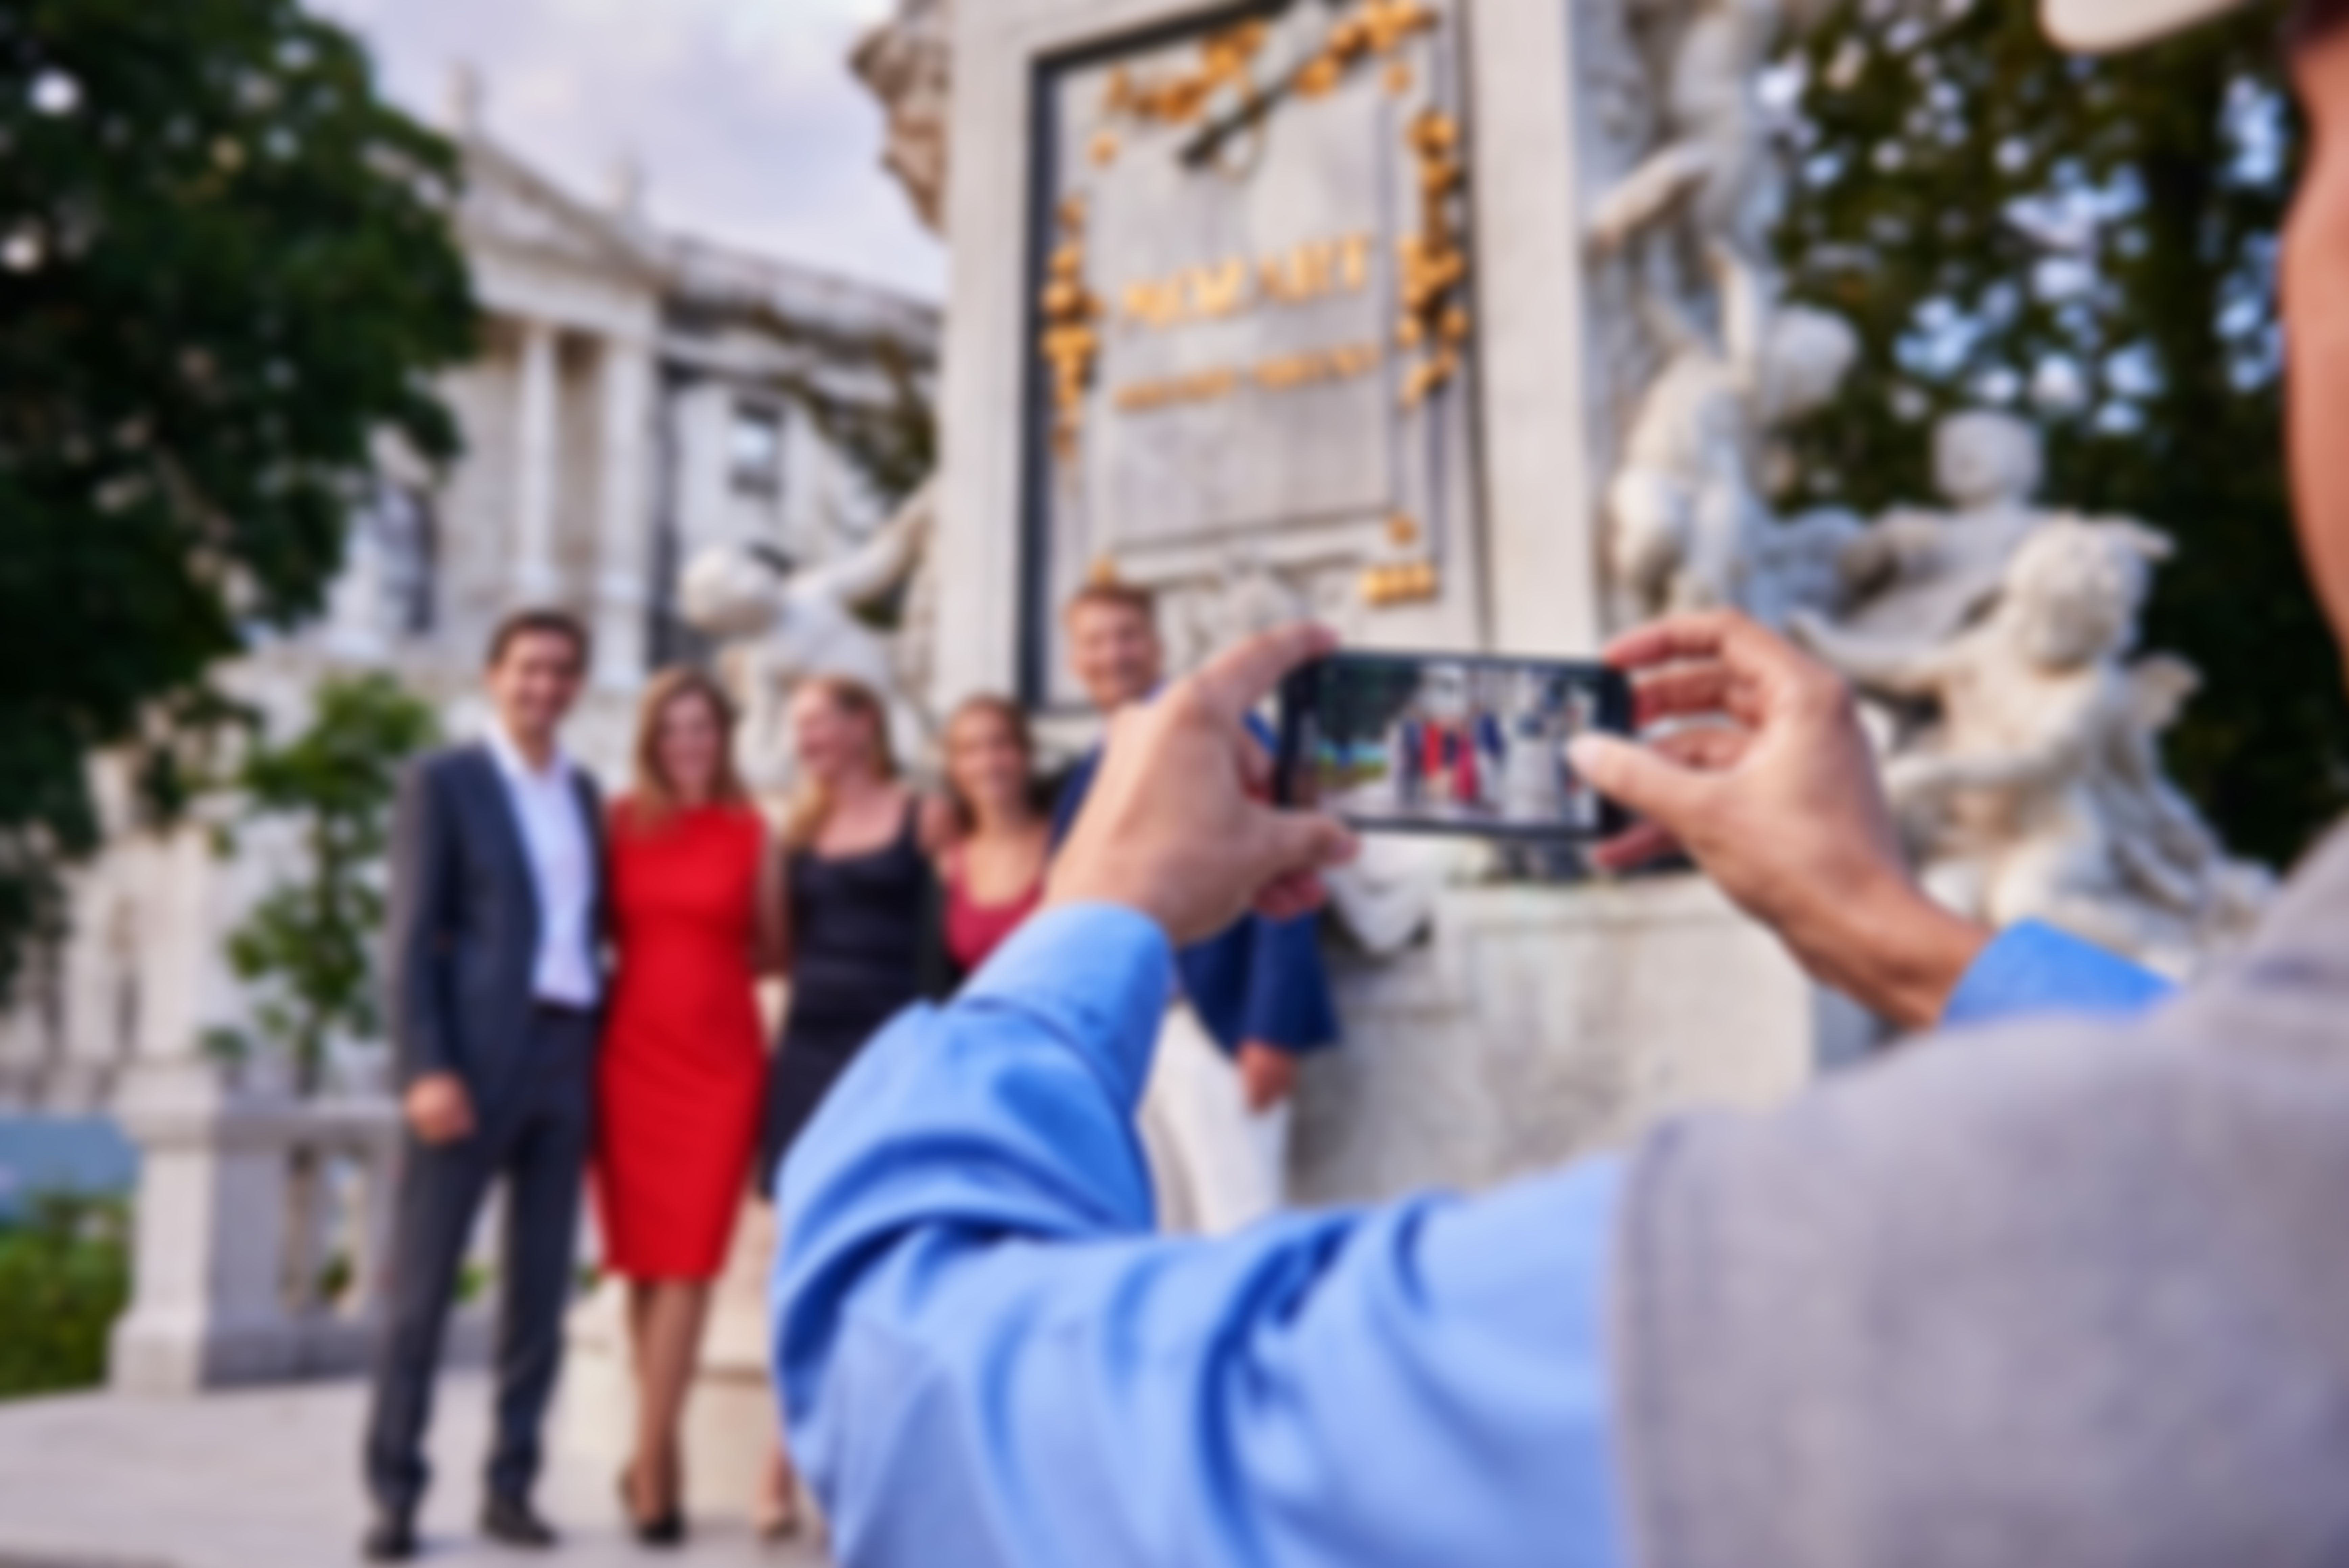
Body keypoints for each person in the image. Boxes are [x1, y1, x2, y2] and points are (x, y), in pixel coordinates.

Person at [766, 0, 2349, 1558]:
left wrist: (1089, 922)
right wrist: (1891, 931)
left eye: (2318, 111)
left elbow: (917, 1380)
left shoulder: (1968, 1258)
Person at [363, 610, 606, 1562]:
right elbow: (409, 939)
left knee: (538, 1296)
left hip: (565, 1053)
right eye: (528, 669)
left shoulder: (583, 792)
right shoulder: (445, 781)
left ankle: (512, 1486)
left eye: (561, 671)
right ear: (493, 676)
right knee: (419, 1296)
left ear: (577, 686)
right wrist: (424, 1065)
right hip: (466, 1066)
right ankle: (395, 1494)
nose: (543, 686)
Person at [1049, 580, 1339, 1234]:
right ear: (1073, 659)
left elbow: (1284, 861)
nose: (1112, 654)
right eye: (1093, 641)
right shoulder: (1090, 765)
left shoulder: (1225, 735)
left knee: (1242, 1226)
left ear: (1156, 644)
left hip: (1216, 1028)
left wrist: (1271, 1028)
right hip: (1126, 1038)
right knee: (1159, 1231)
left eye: (1126, 635)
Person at [757, 672, 944, 1532]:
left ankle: (862, 1467)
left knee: (881, 1254)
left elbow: (949, 940)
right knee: (799, 1257)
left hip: (892, 1051)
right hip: (807, 1053)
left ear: (866, 723)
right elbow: (775, 949)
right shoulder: (794, 831)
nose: (808, 743)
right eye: (799, 729)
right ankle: (776, 1465)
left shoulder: (925, 814)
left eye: (820, 724)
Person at [591, 668, 773, 1546]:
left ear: (723, 736)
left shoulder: (753, 830)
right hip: (628, 1059)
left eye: (702, 727)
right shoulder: (616, 822)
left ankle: (653, 1464)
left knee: (692, 1262)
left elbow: (775, 947)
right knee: (641, 1263)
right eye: (672, 730)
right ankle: (654, 1448)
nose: (688, 744)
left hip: (721, 1064)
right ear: (650, 740)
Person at [934, 695, 1050, 978]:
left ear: (1027, 754)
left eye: (1001, 744)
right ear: (953, 768)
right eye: (969, 750)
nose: (988, 762)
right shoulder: (945, 862)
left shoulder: (1067, 845)